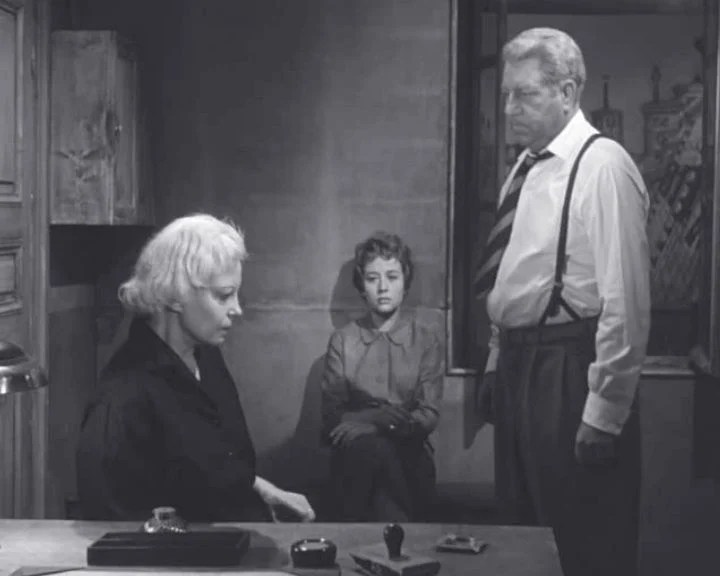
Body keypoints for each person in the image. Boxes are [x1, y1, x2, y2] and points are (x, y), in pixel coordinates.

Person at [473, 28, 650, 576]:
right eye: (506, 94)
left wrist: (605, 412)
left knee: (580, 540)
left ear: (568, 92)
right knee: (522, 539)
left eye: (524, 95)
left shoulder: (603, 166)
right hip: (520, 366)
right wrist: (496, 362)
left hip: (568, 371)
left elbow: (626, 303)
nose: (509, 109)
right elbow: (511, 276)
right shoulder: (527, 167)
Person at [77, 213, 316, 523]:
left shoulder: (205, 355)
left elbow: (205, 467)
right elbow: (113, 524)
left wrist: (258, 487)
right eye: (224, 295)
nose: (237, 309)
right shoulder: (122, 397)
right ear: (176, 296)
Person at [320, 232, 443, 522]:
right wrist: (377, 420)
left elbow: (428, 415)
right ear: (362, 286)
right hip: (356, 458)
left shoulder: (426, 340)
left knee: (384, 454)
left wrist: (374, 423)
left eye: (392, 277)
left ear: (405, 282)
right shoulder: (343, 340)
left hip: (410, 455)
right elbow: (332, 417)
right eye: (373, 278)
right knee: (368, 452)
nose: (383, 287)